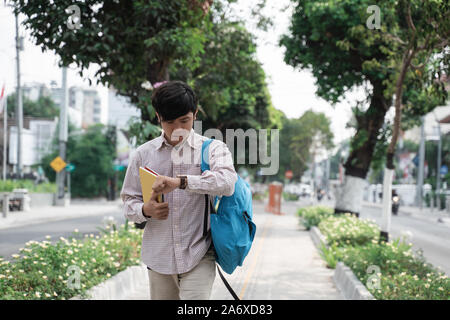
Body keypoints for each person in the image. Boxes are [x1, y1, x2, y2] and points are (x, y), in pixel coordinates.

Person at [120, 80, 237, 300]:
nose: (177, 129)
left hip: (199, 254)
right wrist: (145, 210)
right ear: (158, 117)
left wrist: (182, 182)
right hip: (158, 257)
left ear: (195, 113)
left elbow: (228, 182)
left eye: (185, 120)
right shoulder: (143, 155)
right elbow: (128, 202)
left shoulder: (213, 149)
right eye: (169, 122)